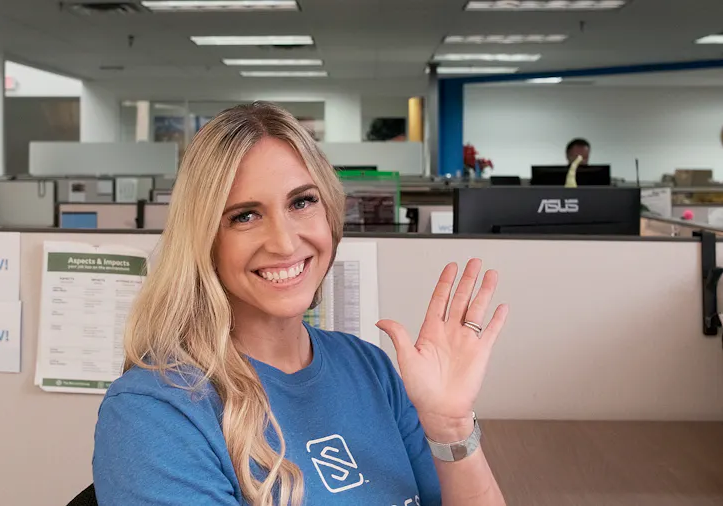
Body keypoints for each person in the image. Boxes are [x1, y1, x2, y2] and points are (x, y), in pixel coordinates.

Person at [92, 102, 509, 506]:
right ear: (205, 240)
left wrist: (450, 428)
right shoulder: (155, 412)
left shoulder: (371, 368)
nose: (286, 242)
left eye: (302, 202)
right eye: (244, 216)